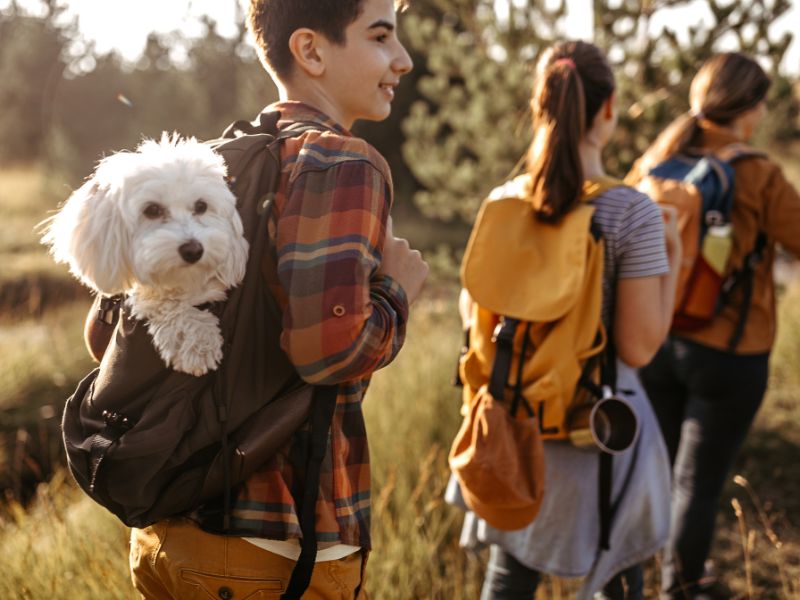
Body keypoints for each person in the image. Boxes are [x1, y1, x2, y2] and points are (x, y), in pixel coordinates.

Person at [123, 0, 428, 598]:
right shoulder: (345, 160)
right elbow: (328, 352)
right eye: (381, 37)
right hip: (276, 547)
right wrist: (396, 292)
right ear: (310, 50)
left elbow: (112, 318)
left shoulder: (212, 163)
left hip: (170, 533)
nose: (404, 59)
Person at [446, 40, 682, 600]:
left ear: (540, 104)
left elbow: (470, 309)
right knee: (619, 580)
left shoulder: (504, 200)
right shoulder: (632, 212)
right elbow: (639, 347)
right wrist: (672, 257)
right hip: (597, 432)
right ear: (608, 107)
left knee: (508, 580)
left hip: (508, 430)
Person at [629, 52, 800, 600]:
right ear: (750, 107)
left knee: (657, 477)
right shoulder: (759, 174)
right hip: (730, 352)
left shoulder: (655, 161)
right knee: (696, 487)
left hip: (653, 340)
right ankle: (680, 588)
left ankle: (641, 579)